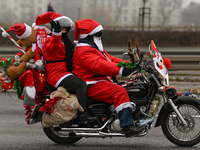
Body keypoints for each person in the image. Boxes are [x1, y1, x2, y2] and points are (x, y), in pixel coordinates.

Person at [73, 19, 145, 137]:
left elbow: (110, 60)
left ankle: (131, 115)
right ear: (89, 36)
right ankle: (127, 126)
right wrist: (121, 70)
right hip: (91, 84)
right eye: (98, 34)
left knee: (129, 87)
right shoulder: (83, 51)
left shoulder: (93, 48)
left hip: (100, 81)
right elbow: (99, 65)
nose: (100, 37)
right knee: (120, 91)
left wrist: (129, 65)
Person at [35, 12, 97, 124]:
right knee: (80, 85)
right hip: (57, 74)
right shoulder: (50, 40)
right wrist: (56, 33)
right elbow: (54, 47)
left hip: (66, 71)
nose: (63, 31)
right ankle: (83, 114)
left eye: (65, 30)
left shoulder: (66, 41)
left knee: (90, 83)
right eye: (61, 29)